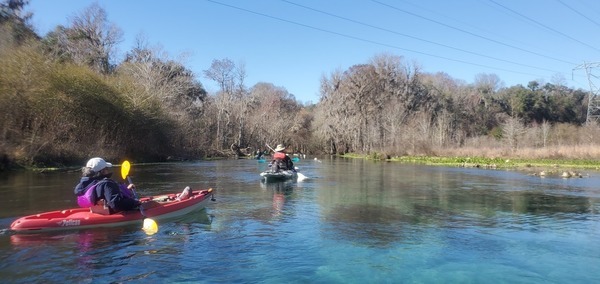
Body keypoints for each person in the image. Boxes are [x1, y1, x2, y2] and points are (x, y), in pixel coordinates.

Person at [74, 157, 141, 213]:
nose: (108, 170)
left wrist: (126, 189)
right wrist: (135, 203)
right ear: (102, 171)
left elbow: (101, 192)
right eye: (107, 168)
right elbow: (117, 204)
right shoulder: (107, 184)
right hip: (110, 213)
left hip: (96, 212)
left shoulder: (86, 184)